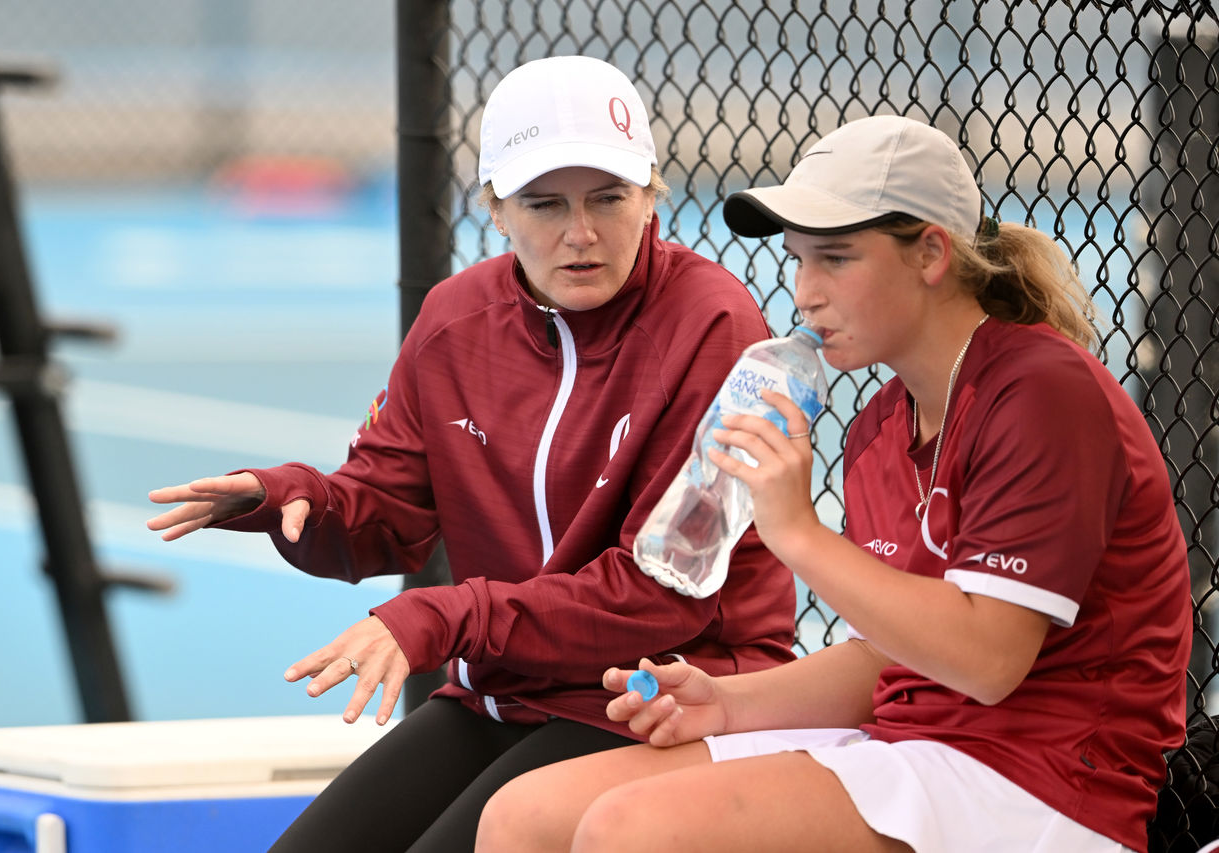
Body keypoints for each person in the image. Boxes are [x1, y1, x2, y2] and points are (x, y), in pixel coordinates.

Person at [474, 114, 1191, 853]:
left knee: (631, 831)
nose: (806, 293)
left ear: (932, 254)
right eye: (798, 260)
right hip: (911, 746)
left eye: (836, 259)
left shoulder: (1042, 392)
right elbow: (886, 655)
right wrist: (725, 703)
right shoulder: (880, 422)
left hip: (1044, 783)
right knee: (522, 815)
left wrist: (797, 533)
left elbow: (987, 662)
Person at [145, 55, 799, 853]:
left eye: (608, 198)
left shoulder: (712, 323)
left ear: (653, 190)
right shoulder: (455, 321)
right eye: (544, 203)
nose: (581, 232)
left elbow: (666, 597)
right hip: (503, 691)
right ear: (494, 208)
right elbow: (386, 515)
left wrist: (447, 615)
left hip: (667, 692)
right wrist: (296, 501)